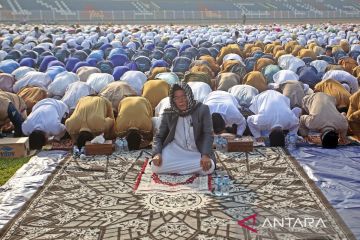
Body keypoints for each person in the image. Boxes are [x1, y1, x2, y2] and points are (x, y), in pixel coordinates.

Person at [151, 82, 215, 175]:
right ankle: (189, 169)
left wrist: (205, 155)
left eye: (184, 96)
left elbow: (207, 134)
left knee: (209, 167)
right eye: (176, 98)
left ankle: (179, 169)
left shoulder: (202, 109)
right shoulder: (169, 112)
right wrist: (157, 154)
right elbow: (159, 136)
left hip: (196, 151)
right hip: (176, 150)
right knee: (155, 167)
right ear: (173, 100)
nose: (181, 101)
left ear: (189, 95)